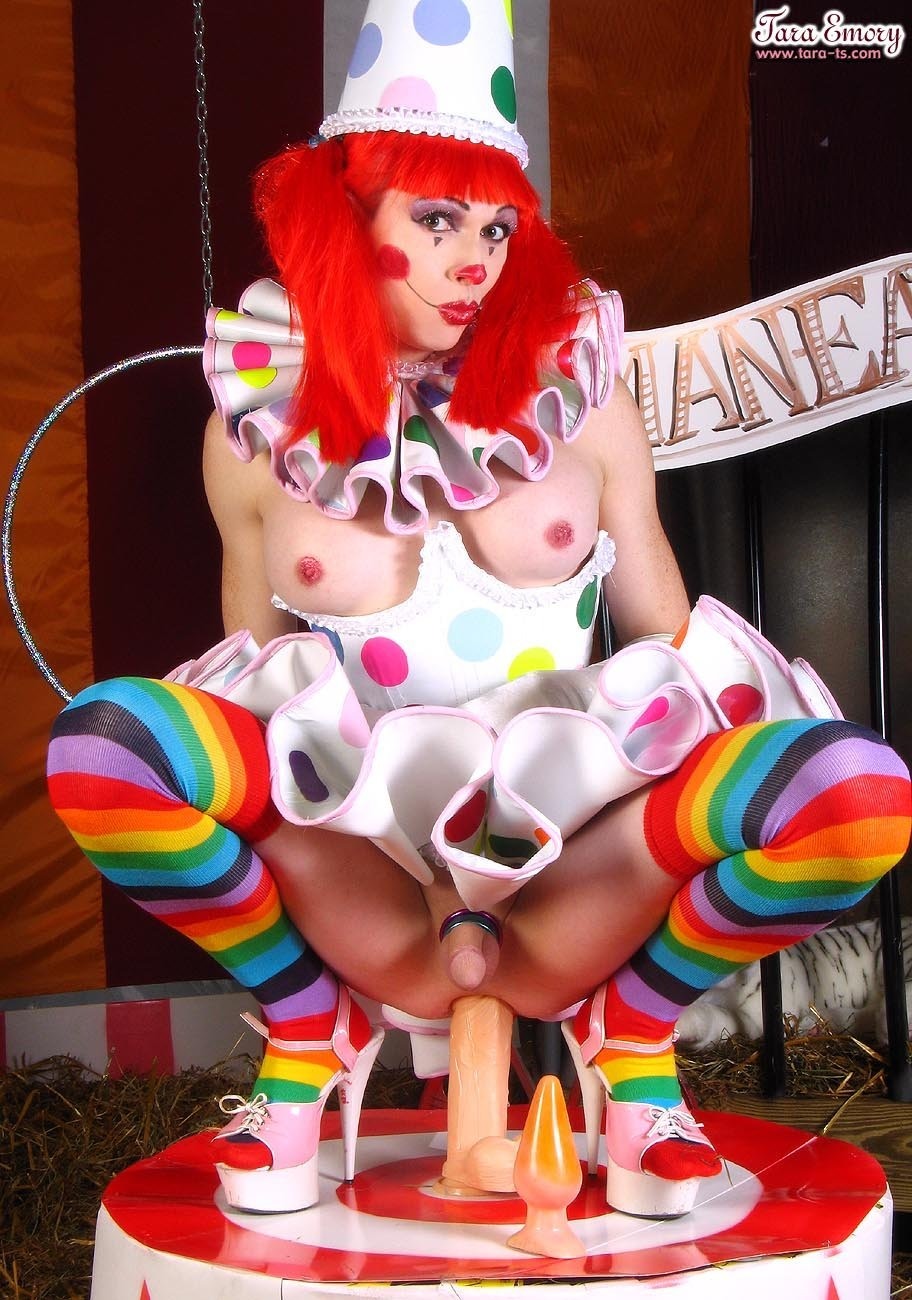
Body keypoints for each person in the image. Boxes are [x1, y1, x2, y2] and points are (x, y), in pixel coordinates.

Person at [47, 0, 910, 1224]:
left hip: (579, 871)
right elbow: (255, 678)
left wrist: (738, 804)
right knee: (105, 752)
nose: (477, 263)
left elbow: (668, 638)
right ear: (344, 216)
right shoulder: (254, 432)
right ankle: (307, 1030)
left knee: (859, 795)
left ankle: (636, 1041)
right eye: (438, 220)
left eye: (498, 227)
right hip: (360, 877)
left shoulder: (582, 397)